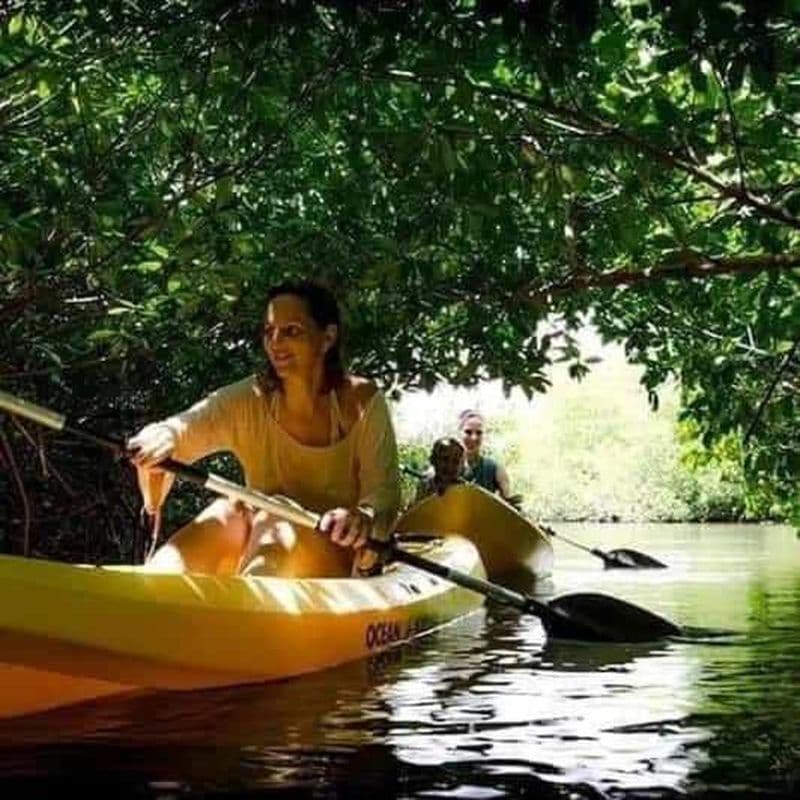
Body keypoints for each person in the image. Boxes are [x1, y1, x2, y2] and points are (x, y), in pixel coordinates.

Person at [128, 279, 401, 579]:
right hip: (261, 548)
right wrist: (162, 436)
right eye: (269, 332)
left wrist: (363, 517)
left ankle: (245, 603)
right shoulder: (250, 398)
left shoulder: (362, 402)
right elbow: (183, 429)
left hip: (334, 560)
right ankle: (150, 586)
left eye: (291, 331)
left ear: (327, 338)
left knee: (275, 510)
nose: (275, 343)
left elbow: (383, 497)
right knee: (229, 511)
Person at [457, 409, 514, 502]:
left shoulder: (495, 468)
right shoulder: (444, 467)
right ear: (459, 433)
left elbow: (509, 508)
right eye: (468, 432)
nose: (474, 438)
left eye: (479, 433)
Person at [414, 436, 466, 502]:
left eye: (456, 461)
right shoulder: (425, 486)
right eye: (445, 459)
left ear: (462, 466)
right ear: (433, 460)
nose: (449, 466)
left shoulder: (465, 490)